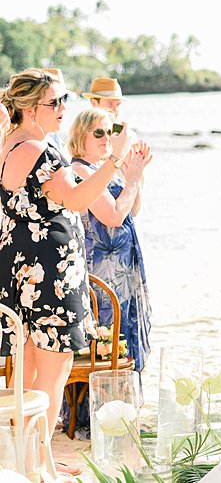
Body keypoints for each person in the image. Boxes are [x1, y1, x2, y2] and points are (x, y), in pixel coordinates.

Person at [0, 68, 131, 475]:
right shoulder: (39, 150)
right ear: (28, 107)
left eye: (64, 100)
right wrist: (115, 159)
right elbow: (76, 200)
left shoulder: (7, 144)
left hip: (20, 272)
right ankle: (39, 467)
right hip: (51, 278)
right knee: (52, 377)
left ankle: (32, 461)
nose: (61, 109)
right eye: (53, 102)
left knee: (27, 377)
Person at [67, 108, 153, 372]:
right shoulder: (81, 170)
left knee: (124, 339)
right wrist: (132, 180)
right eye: (99, 133)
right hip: (102, 275)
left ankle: (122, 407)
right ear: (81, 136)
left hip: (122, 272)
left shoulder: (103, 169)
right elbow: (112, 216)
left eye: (111, 132)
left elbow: (132, 211)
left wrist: (134, 177)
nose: (107, 138)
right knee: (109, 343)